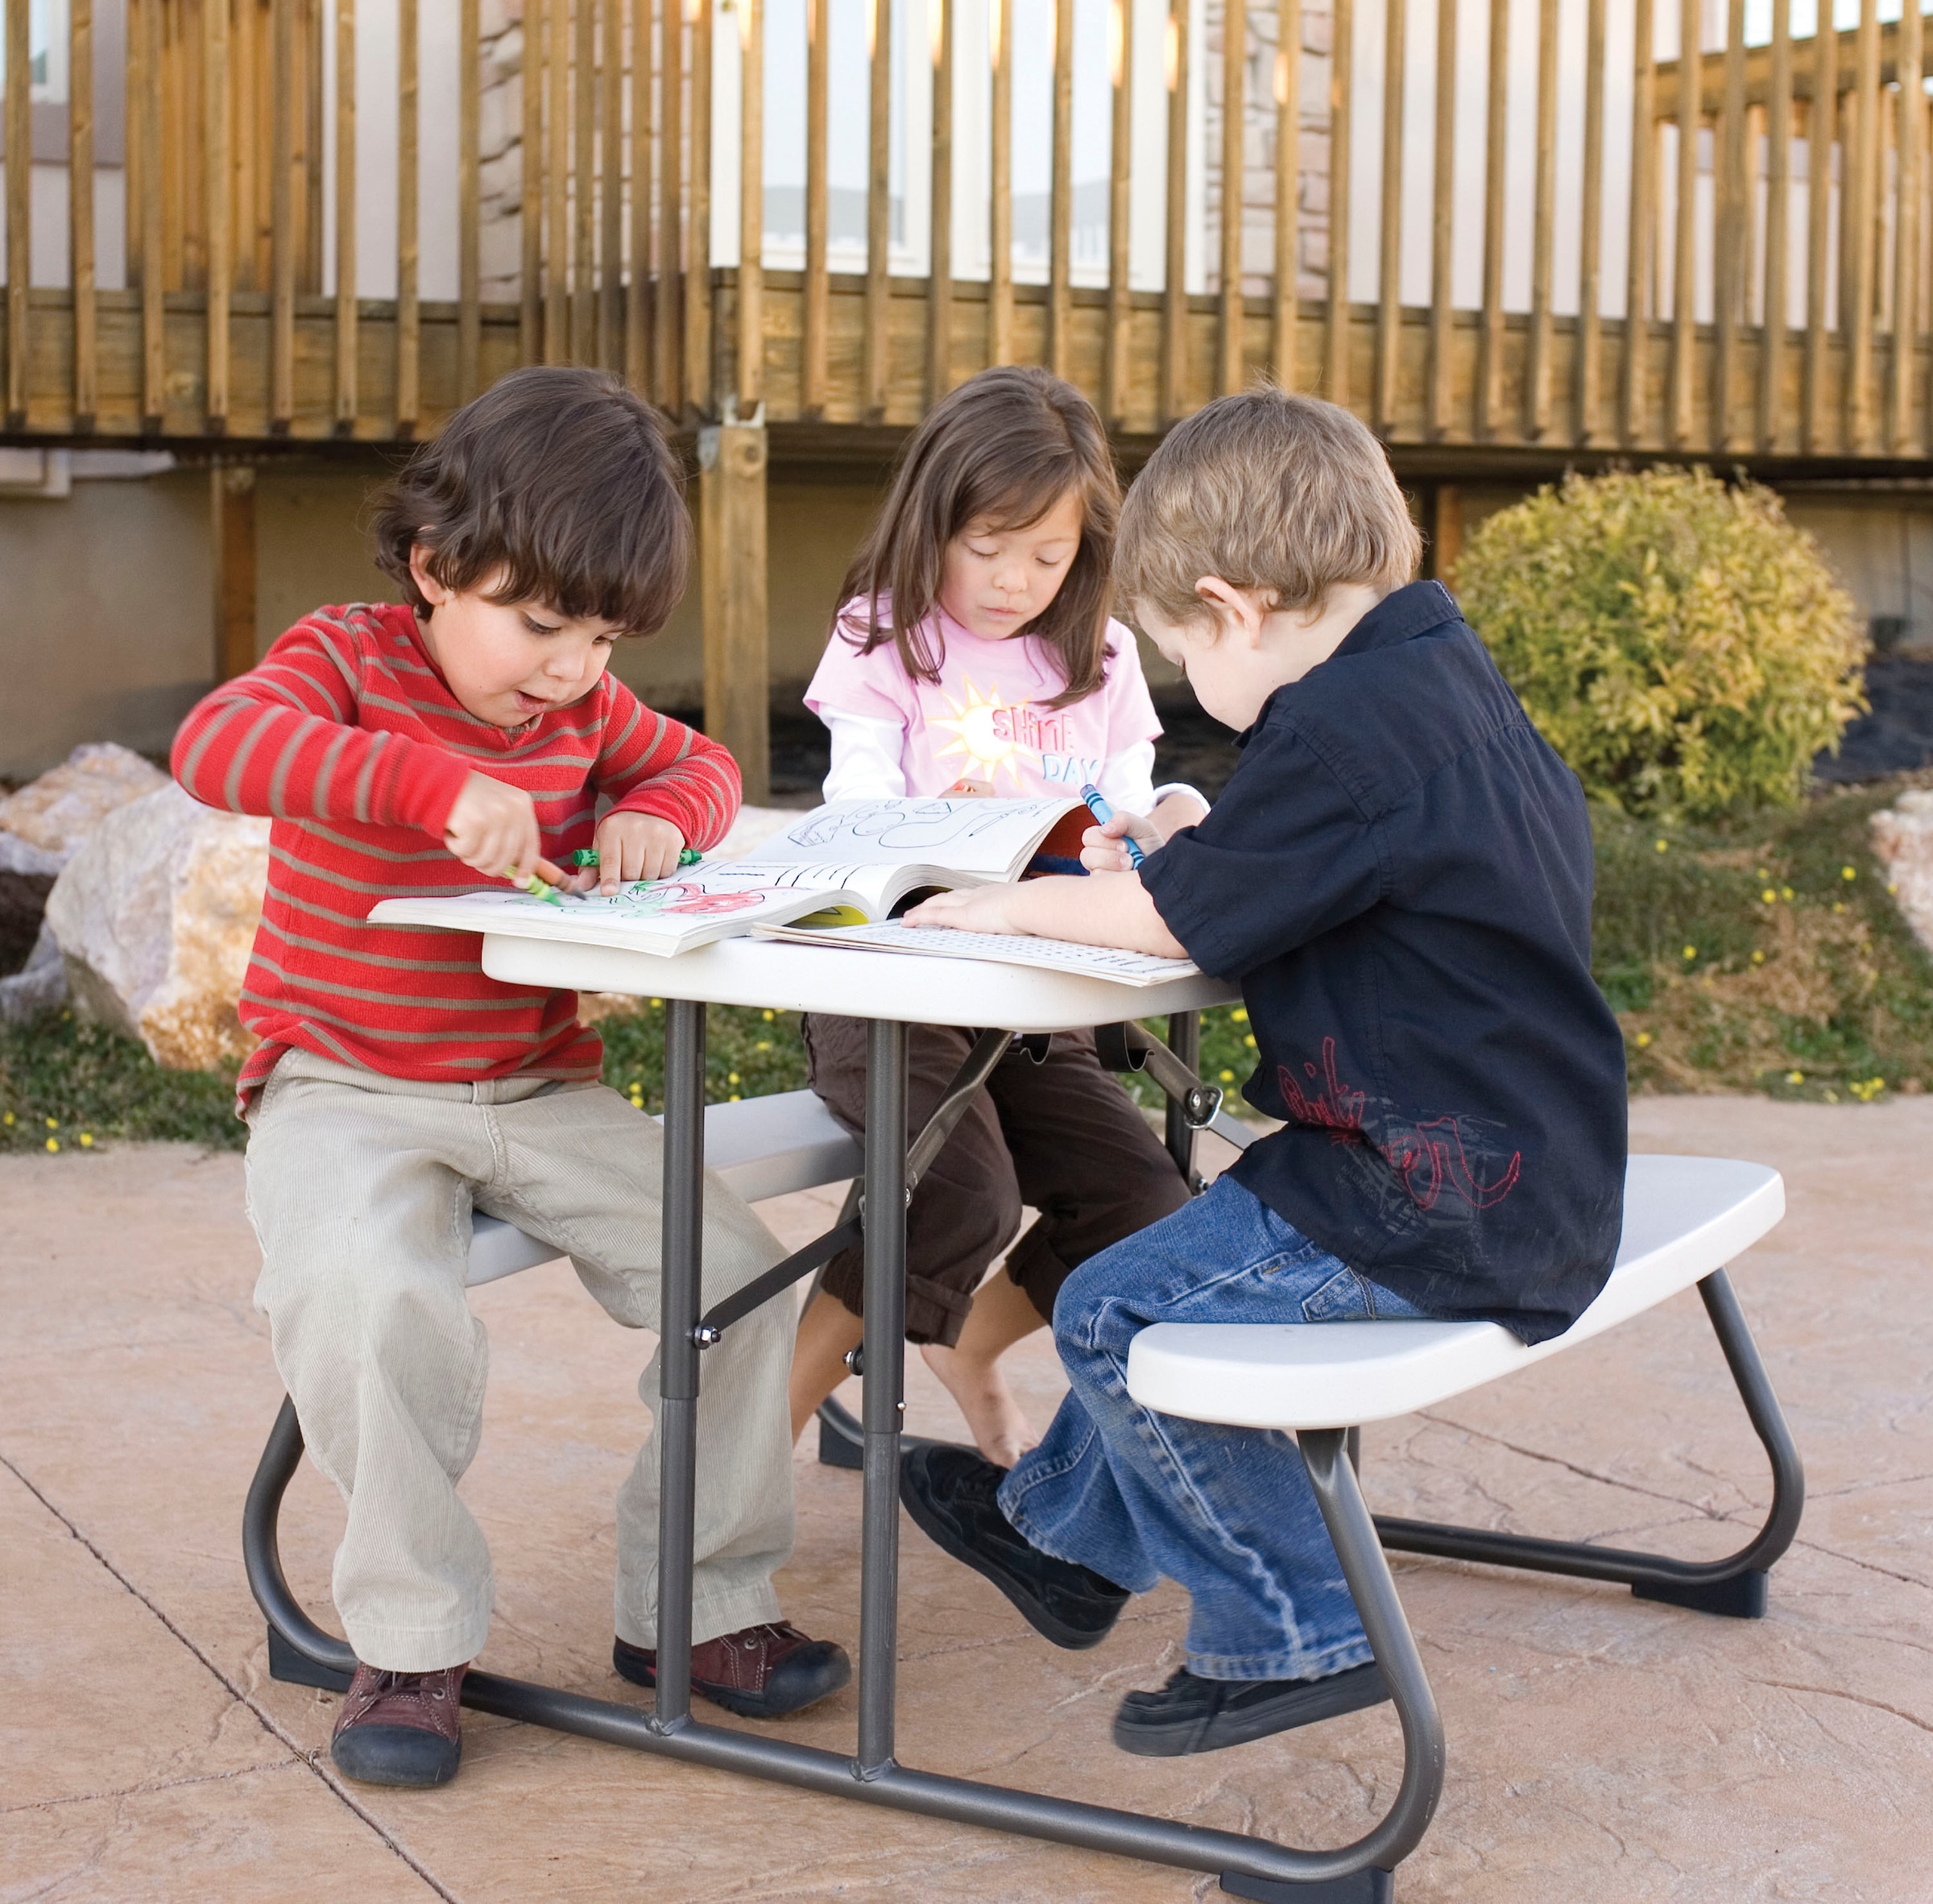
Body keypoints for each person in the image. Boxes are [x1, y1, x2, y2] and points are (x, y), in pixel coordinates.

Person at [894, 387, 1629, 1757]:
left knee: (1118, 1308)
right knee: (1178, 1264)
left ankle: (1296, 1634)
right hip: (1516, 1163)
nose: (1192, 691)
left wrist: (1002, 905)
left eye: (1179, 654)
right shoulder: (1430, 677)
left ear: (1232, 608)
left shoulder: (1338, 735)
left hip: (1438, 1192)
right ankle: (1066, 1544)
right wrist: (1189, 853)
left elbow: (1179, 921)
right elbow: (1286, 869)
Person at [172, 367, 848, 1791]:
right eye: (539, 625)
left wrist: (658, 815)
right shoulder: (347, 658)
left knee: (742, 1280)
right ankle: (411, 1643)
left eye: (598, 637)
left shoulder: (586, 716)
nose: (567, 669)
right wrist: (421, 783)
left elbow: (706, 766)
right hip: (343, 1085)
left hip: (537, 1090)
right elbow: (214, 745)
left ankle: (696, 1607)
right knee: (368, 1291)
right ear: (433, 565)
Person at [789, 366, 1207, 1467]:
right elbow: (857, 815)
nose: (1013, 580)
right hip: (897, 992)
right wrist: (946, 828)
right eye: (986, 546)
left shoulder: (1100, 656)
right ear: (933, 520)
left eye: (1048, 554)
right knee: (961, 1195)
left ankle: (968, 1346)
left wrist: (1162, 820)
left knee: (1144, 1201)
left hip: (1036, 1006)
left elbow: (1125, 799)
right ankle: (747, 1447)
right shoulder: (886, 634)